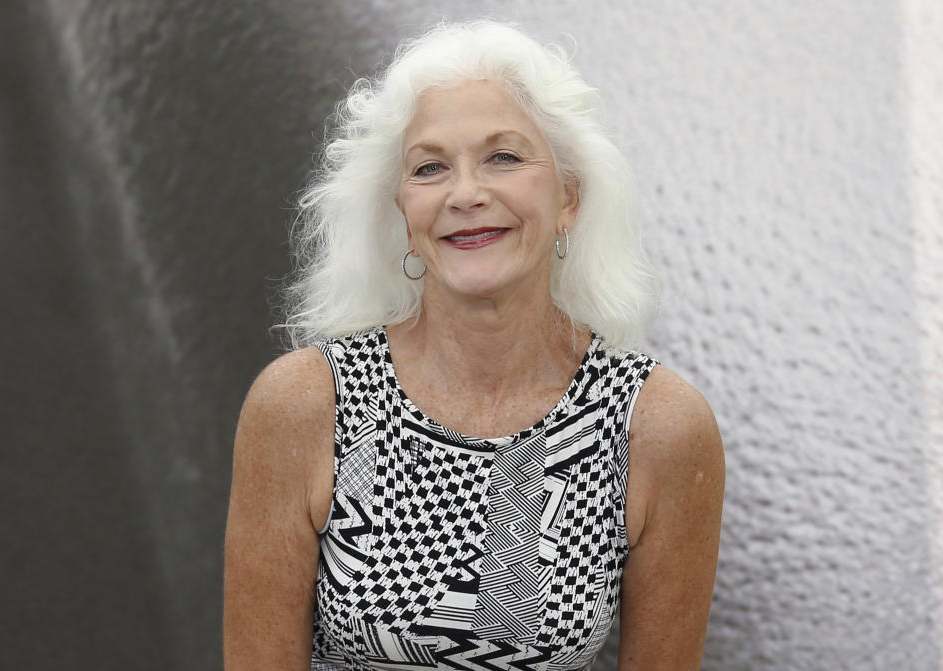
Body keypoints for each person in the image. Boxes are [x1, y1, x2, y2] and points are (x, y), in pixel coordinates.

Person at [224, 20, 724, 671]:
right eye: (430, 167)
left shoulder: (655, 425)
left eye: (504, 157)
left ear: (569, 196)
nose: (466, 194)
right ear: (402, 212)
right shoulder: (305, 404)